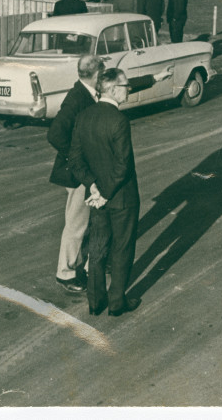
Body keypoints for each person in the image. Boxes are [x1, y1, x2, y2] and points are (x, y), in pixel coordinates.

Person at [69, 68, 141, 317]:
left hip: (97, 197)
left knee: (98, 249)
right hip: (120, 197)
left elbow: (75, 160)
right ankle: (117, 302)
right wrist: (106, 192)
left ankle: (95, 302)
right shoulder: (119, 121)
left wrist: (93, 186)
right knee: (122, 248)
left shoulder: (84, 117)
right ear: (112, 89)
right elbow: (123, 165)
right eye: (125, 86)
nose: (128, 89)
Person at [47, 54, 105, 294]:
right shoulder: (77, 99)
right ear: (97, 74)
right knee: (77, 223)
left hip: (86, 172)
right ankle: (66, 273)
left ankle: (83, 264)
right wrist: (76, 160)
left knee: (86, 221)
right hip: (79, 174)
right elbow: (55, 134)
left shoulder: (88, 92)